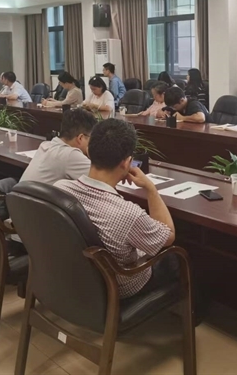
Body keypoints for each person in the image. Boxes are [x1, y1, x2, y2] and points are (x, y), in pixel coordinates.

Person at [55, 119, 175, 298]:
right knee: (174, 259)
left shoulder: (60, 188)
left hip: (75, 278)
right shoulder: (127, 214)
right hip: (117, 289)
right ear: (126, 163)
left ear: (89, 152)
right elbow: (168, 236)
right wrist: (150, 189)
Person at [20, 109, 96, 185]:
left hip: (19, 191)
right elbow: (100, 179)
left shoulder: (45, 145)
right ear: (80, 138)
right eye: (92, 138)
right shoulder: (70, 155)